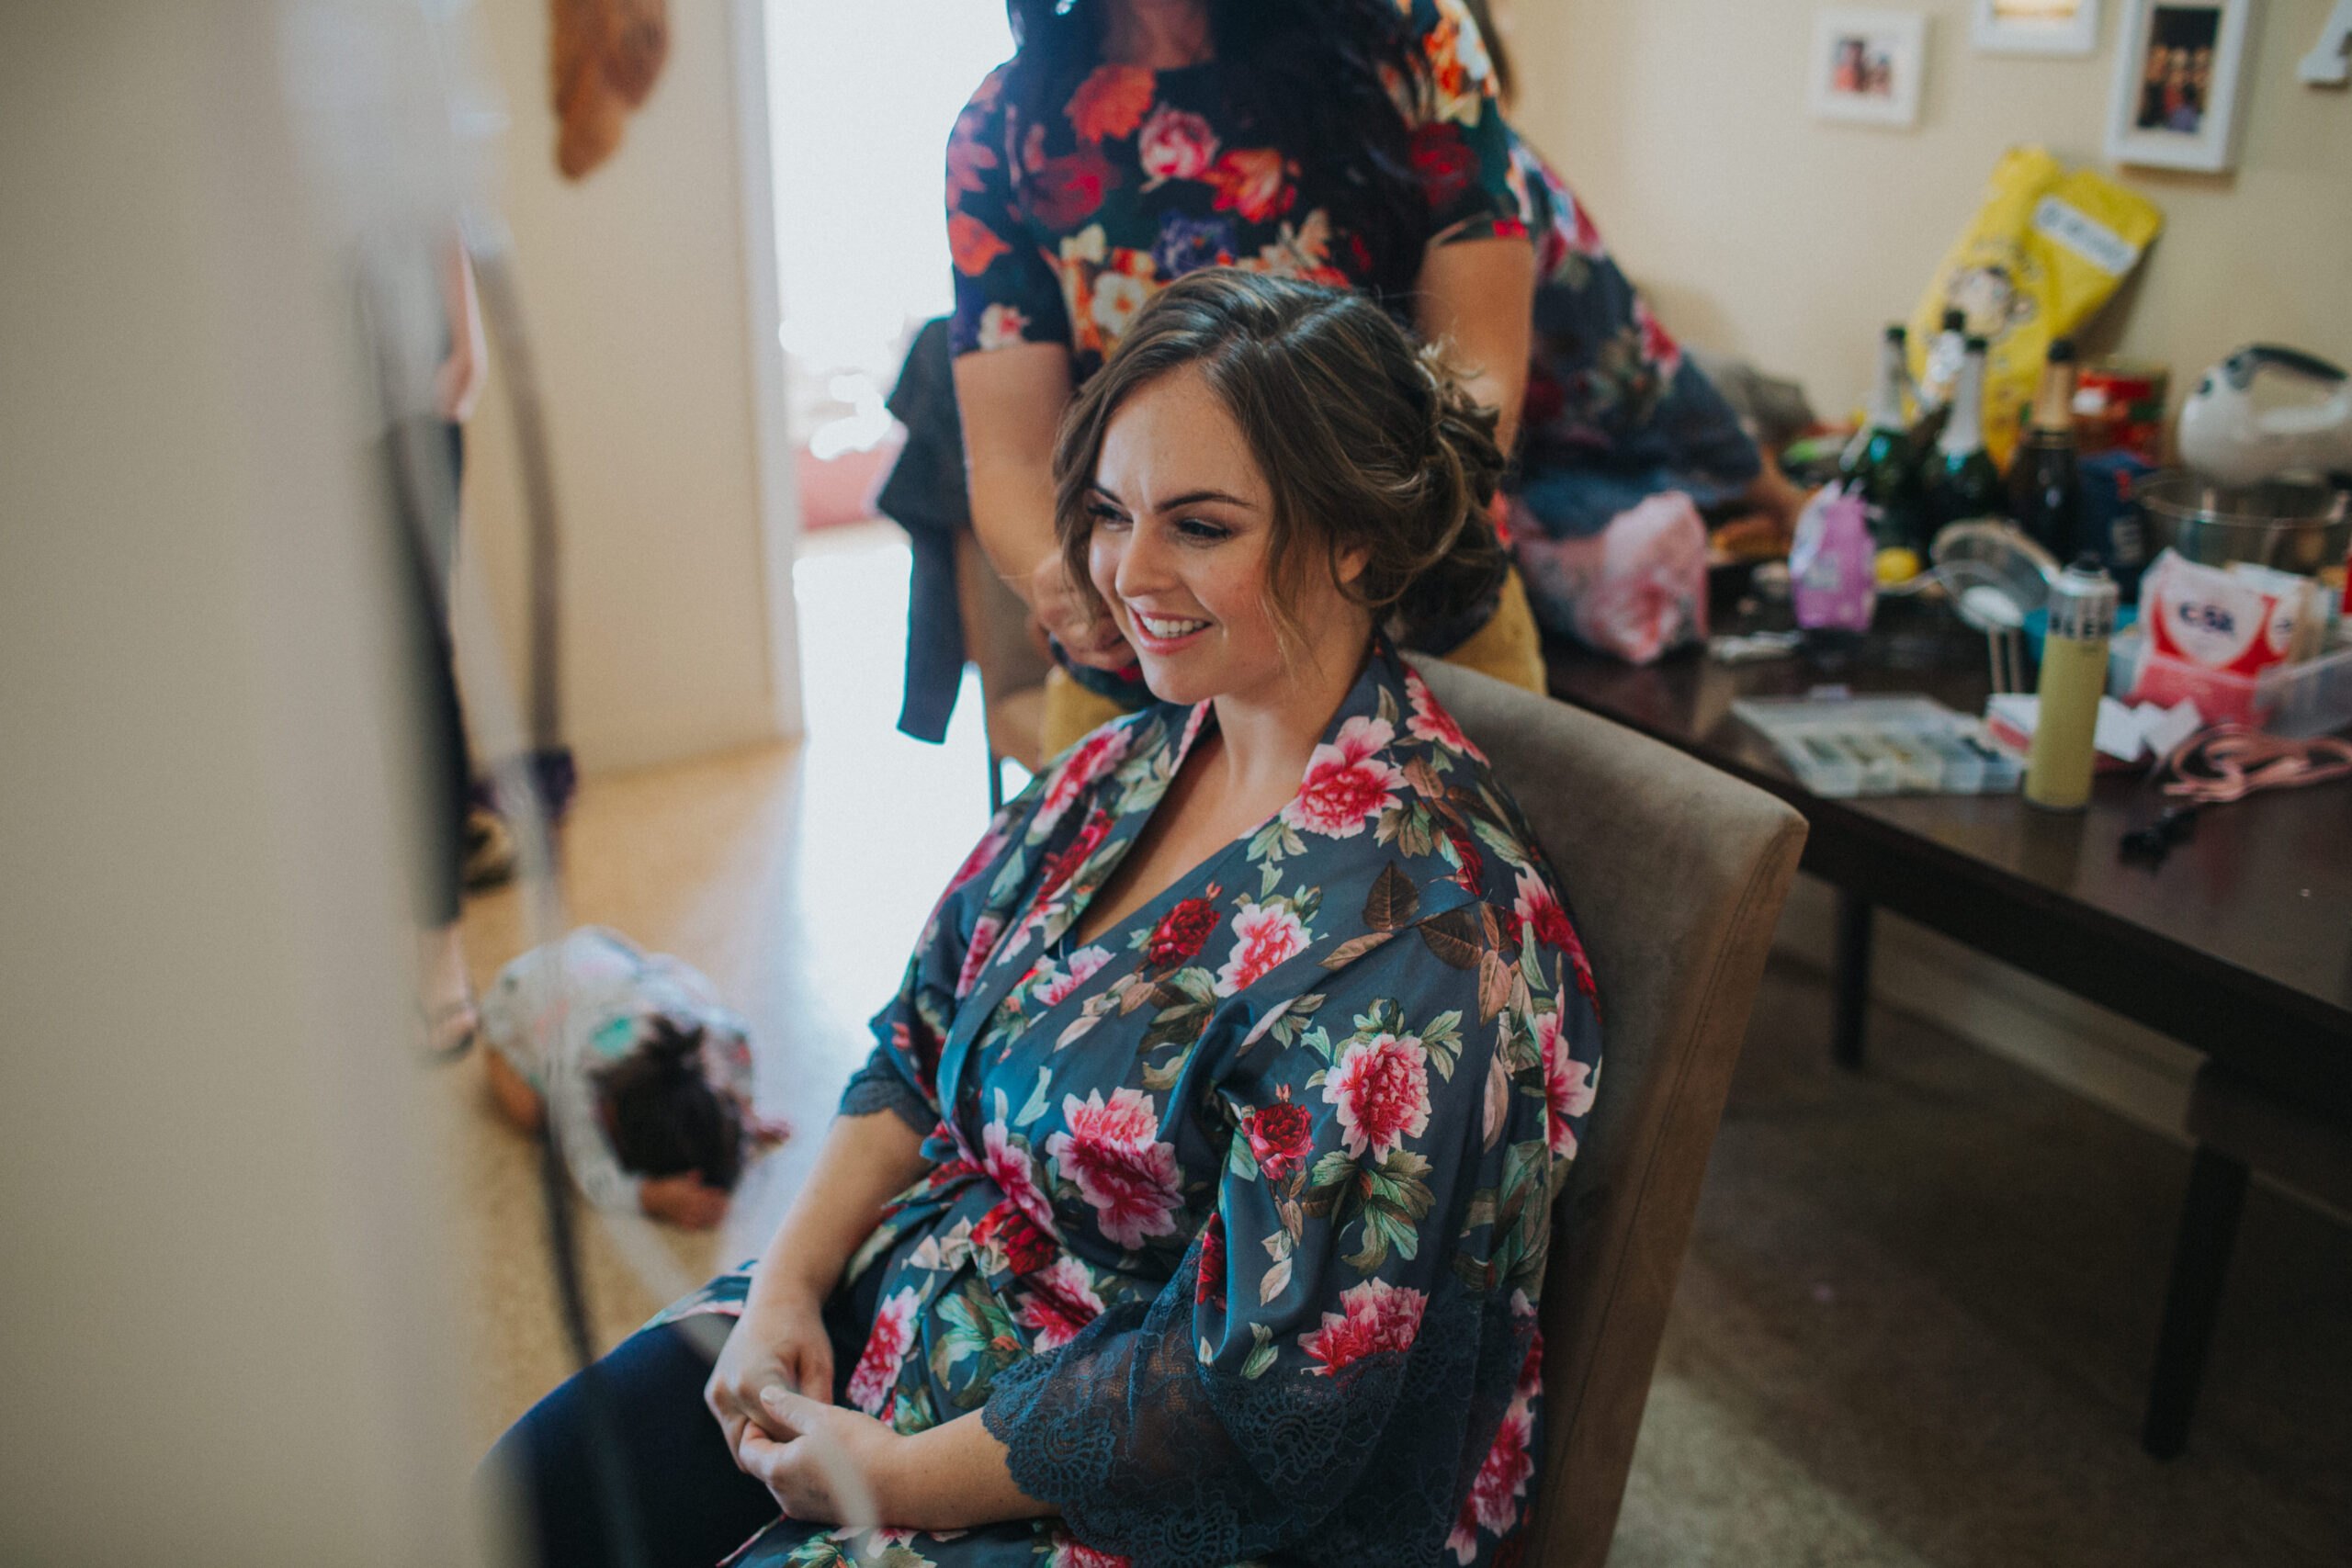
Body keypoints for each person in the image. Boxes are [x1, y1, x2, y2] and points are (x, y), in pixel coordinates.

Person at [487, 270, 1604, 1568]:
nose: (1127, 572)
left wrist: (894, 1470)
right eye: (1115, 513)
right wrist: (785, 1280)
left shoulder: (1414, 944)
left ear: (1358, 539)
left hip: (1160, 1483)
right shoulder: (1127, 762)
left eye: (1201, 524)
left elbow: (1254, 1404)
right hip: (922, 1296)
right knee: (523, 1500)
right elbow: (916, 1038)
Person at [947, 0, 1545, 757]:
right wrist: (1061, 575)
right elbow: (1012, 458)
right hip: (1142, 676)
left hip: (1420, 627)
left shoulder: (1413, 44)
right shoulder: (1004, 128)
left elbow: (1480, 372)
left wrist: (1335, 560)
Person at [480, 926, 786, 1231]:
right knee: (534, 1113)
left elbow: (738, 1033)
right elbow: (592, 1175)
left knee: (686, 987)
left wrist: (746, 1113)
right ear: (613, 1126)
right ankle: (493, 1046)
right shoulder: (578, 1082)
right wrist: (654, 1197)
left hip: (596, 953)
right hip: (515, 991)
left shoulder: (690, 1027)